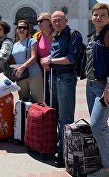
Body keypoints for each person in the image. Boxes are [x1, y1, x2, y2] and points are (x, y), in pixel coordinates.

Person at [40, 10, 83, 168]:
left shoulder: (74, 34)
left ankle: (63, 152)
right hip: (53, 76)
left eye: (59, 20)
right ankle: (58, 146)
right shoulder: (56, 35)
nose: (56, 23)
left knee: (65, 117)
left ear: (66, 20)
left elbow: (71, 59)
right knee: (55, 114)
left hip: (65, 77)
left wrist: (50, 60)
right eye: (54, 20)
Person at [85, 3, 109, 177]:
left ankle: (107, 168)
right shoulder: (94, 36)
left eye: (103, 15)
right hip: (90, 85)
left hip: (103, 87)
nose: (99, 17)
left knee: (97, 126)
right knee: (100, 126)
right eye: (96, 14)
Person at [11, 20, 43, 102]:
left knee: (38, 101)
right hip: (21, 75)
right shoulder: (15, 45)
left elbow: (34, 57)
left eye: (24, 28)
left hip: (34, 74)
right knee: (23, 101)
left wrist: (23, 67)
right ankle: (25, 115)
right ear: (16, 29)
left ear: (28, 30)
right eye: (19, 27)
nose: (22, 29)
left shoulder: (31, 41)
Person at [33, 13, 54, 105]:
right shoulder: (37, 36)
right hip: (41, 72)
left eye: (41, 21)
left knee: (54, 97)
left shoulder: (56, 34)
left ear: (49, 21)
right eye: (37, 21)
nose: (38, 23)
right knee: (44, 97)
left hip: (55, 71)